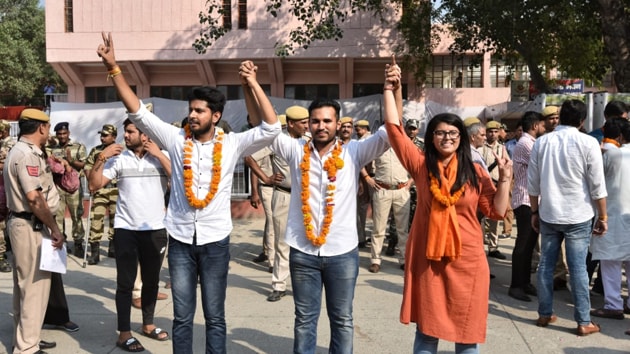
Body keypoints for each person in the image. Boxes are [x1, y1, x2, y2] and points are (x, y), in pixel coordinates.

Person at [96, 32, 281, 354]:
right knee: (182, 316)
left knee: (215, 316)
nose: (193, 115)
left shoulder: (233, 144)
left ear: (216, 116)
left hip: (215, 242)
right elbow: (138, 111)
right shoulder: (175, 140)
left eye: (200, 111)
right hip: (180, 241)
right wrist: (114, 68)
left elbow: (271, 128)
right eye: (191, 110)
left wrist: (252, 84)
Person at [383, 61, 511, 354]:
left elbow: (496, 211)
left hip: (467, 261)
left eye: (453, 134)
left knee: (467, 335)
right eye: (440, 133)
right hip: (430, 261)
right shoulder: (420, 166)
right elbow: (394, 130)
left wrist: (504, 179)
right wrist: (390, 89)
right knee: (427, 332)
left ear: (461, 139)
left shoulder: (475, 171)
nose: (447, 138)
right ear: (431, 137)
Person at [271, 97, 389, 353]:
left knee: (342, 320)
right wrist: (253, 85)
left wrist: (394, 91)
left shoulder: (354, 152)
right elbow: (269, 126)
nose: (321, 126)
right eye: (315, 121)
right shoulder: (295, 151)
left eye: (327, 120)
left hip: (342, 253)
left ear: (338, 123)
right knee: (304, 320)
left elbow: (388, 133)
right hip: (303, 252)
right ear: (308, 124)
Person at [89, 118, 172, 352]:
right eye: (125, 132)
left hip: (155, 230)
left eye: (130, 132)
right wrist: (101, 157)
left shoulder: (161, 156)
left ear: (145, 135)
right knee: (125, 284)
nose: (125, 136)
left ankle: (148, 324)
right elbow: (94, 185)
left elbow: (180, 180)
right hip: (126, 230)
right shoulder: (119, 159)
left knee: (152, 282)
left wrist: (160, 155)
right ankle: (124, 333)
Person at [528, 99, 607, 336]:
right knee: (578, 269)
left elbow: (532, 183)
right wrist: (603, 216)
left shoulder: (542, 142)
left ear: (560, 117)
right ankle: (583, 321)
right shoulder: (588, 142)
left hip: (549, 213)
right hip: (578, 214)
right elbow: (597, 185)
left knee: (545, 265)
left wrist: (534, 211)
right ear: (582, 121)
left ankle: (544, 313)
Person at [4, 108, 63, 354]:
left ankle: (27, 337)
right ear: (41, 127)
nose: (49, 131)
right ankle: (27, 347)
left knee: (25, 286)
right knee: (34, 287)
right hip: (30, 225)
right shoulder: (26, 155)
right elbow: (35, 199)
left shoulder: (22, 151)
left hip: (25, 223)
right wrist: (55, 228)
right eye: (48, 127)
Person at [589, 118, 630, 322]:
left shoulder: (610, 154)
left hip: (611, 215)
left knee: (610, 262)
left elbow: (595, 180)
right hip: (625, 217)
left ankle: (613, 304)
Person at [508, 111, 545, 302]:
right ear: (535, 125)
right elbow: (543, 165)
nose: (544, 128)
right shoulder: (526, 144)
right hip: (524, 200)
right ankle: (516, 285)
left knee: (530, 244)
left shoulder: (530, 143)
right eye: (542, 124)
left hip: (530, 200)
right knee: (523, 245)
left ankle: (524, 282)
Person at [366, 144, 411, 272]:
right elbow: (363, 162)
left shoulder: (404, 146)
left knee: (402, 229)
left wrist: (412, 181)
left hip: (401, 190)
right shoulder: (377, 146)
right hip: (382, 190)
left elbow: (417, 164)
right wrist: (367, 178)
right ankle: (375, 260)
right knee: (378, 228)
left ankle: (404, 259)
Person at [46, 122, 87, 257]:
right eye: (59, 134)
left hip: (74, 188)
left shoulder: (78, 147)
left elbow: (84, 165)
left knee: (77, 216)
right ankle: (61, 241)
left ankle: (78, 243)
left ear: (68, 133)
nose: (62, 136)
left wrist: (71, 161)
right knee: (58, 216)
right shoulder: (52, 148)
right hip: (57, 187)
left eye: (64, 133)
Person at [84, 124, 119, 264]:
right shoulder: (96, 151)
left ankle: (113, 248)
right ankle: (94, 253)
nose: (102, 138)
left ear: (114, 137)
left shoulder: (120, 150)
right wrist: (90, 181)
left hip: (116, 189)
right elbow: (87, 167)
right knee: (96, 220)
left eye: (105, 135)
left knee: (115, 221)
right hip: (100, 190)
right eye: (101, 135)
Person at [479, 120, 511, 258]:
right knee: (479, 218)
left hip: (497, 185)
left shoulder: (502, 148)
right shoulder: (480, 147)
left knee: (495, 219)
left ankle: (493, 247)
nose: (492, 134)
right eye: (490, 131)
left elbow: (508, 165)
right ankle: (479, 247)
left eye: (495, 131)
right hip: (483, 186)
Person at [355, 119, 373, 248]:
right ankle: (362, 237)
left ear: (365, 129)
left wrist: (363, 180)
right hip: (370, 178)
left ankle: (361, 237)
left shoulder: (365, 141)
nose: (356, 131)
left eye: (358, 129)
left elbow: (363, 163)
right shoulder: (366, 140)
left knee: (361, 209)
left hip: (368, 179)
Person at [0, 120, 14, 272]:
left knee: (2, 222)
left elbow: (6, 164)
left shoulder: (8, 145)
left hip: (3, 187)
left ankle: (1, 257)